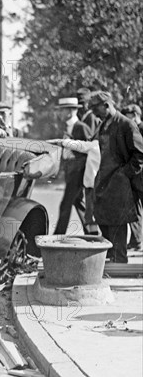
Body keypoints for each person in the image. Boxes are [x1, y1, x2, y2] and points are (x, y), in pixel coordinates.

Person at [89, 91, 143, 262]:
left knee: (118, 224)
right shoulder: (104, 124)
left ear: (106, 105)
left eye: (96, 108)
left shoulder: (126, 125)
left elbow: (140, 155)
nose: (94, 113)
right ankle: (112, 260)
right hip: (104, 181)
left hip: (120, 185)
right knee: (104, 221)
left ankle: (120, 263)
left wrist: (123, 175)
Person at [52, 97, 93, 235]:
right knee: (78, 202)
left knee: (65, 204)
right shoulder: (65, 127)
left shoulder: (81, 127)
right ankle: (92, 233)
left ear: (70, 111)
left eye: (62, 111)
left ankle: (58, 236)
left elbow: (91, 150)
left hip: (79, 172)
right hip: (70, 171)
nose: (60, 114)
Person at [123, 103, 143, 251]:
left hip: (139, 175)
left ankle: (136, 241)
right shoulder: (134, 129)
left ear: (135, 115)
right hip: (136, 177)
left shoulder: (139, 129)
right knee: (135, 208)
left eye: (129, 118)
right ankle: (136, 241)